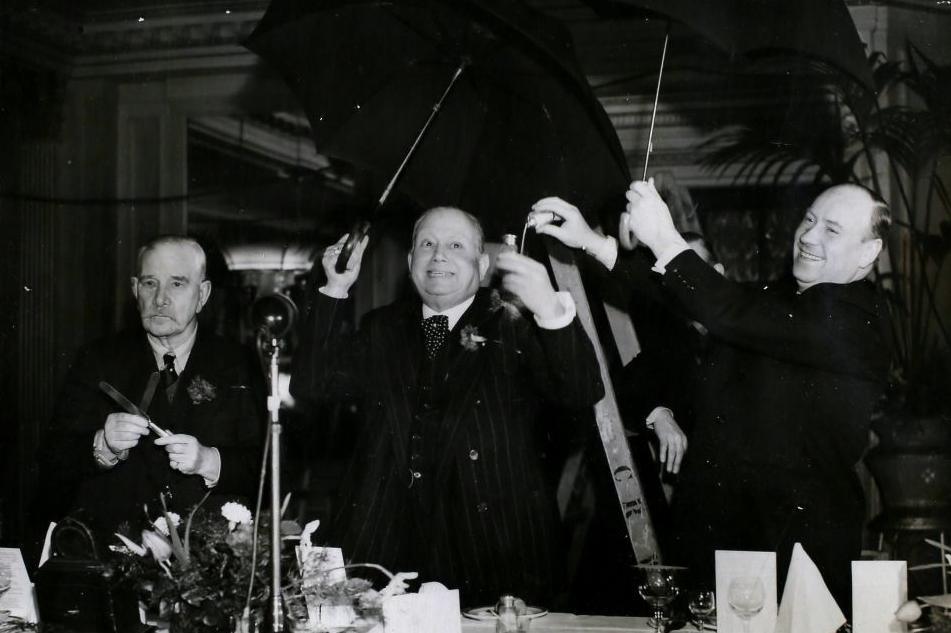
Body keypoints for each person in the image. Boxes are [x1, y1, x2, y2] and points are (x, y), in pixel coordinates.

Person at [533, 182, 891, 610]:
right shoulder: (781, 299)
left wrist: (665, 236)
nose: (809, 236)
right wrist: (593, 243)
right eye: (809, 220)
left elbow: (728, 311)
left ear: (869, 253)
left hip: (795, 558)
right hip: (721, 541)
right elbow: (687, 300)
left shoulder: (857, 321)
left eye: (832, 230)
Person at [290, 206, 604, 607]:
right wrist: (335, 289)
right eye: (427, 244)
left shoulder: (516, 324)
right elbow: (312, 384)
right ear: (410, 262)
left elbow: (582, 391)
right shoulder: (381, 327)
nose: (438, 255)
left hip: (495, 554)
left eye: (456, 245)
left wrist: (550, 310)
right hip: (388, 554)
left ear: (483, 263)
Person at [36, 236, 263, 538]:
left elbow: (270, 469)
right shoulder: (98, 359)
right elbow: (51, 458)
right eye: (150, 284)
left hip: (207, 558)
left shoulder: (240, 364)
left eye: (177, 284)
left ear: (203, 294)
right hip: (115, 555)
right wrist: (102, 444)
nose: (160, 299)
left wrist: (210, 461)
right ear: (134, 289)